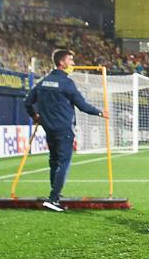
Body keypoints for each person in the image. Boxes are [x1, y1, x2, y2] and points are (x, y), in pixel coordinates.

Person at [23, 49, 103, 212]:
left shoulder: (43, 82)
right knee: (64, 162)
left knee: (54, 161)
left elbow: (27, 101)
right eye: (70, 60)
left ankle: (55, 194)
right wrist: (100, 112)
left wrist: (35, 116)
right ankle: (53, 198)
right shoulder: (66, 83)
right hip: (64, 128)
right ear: (62, 63)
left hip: (49, 128)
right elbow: (82, 105)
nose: (73, 63)